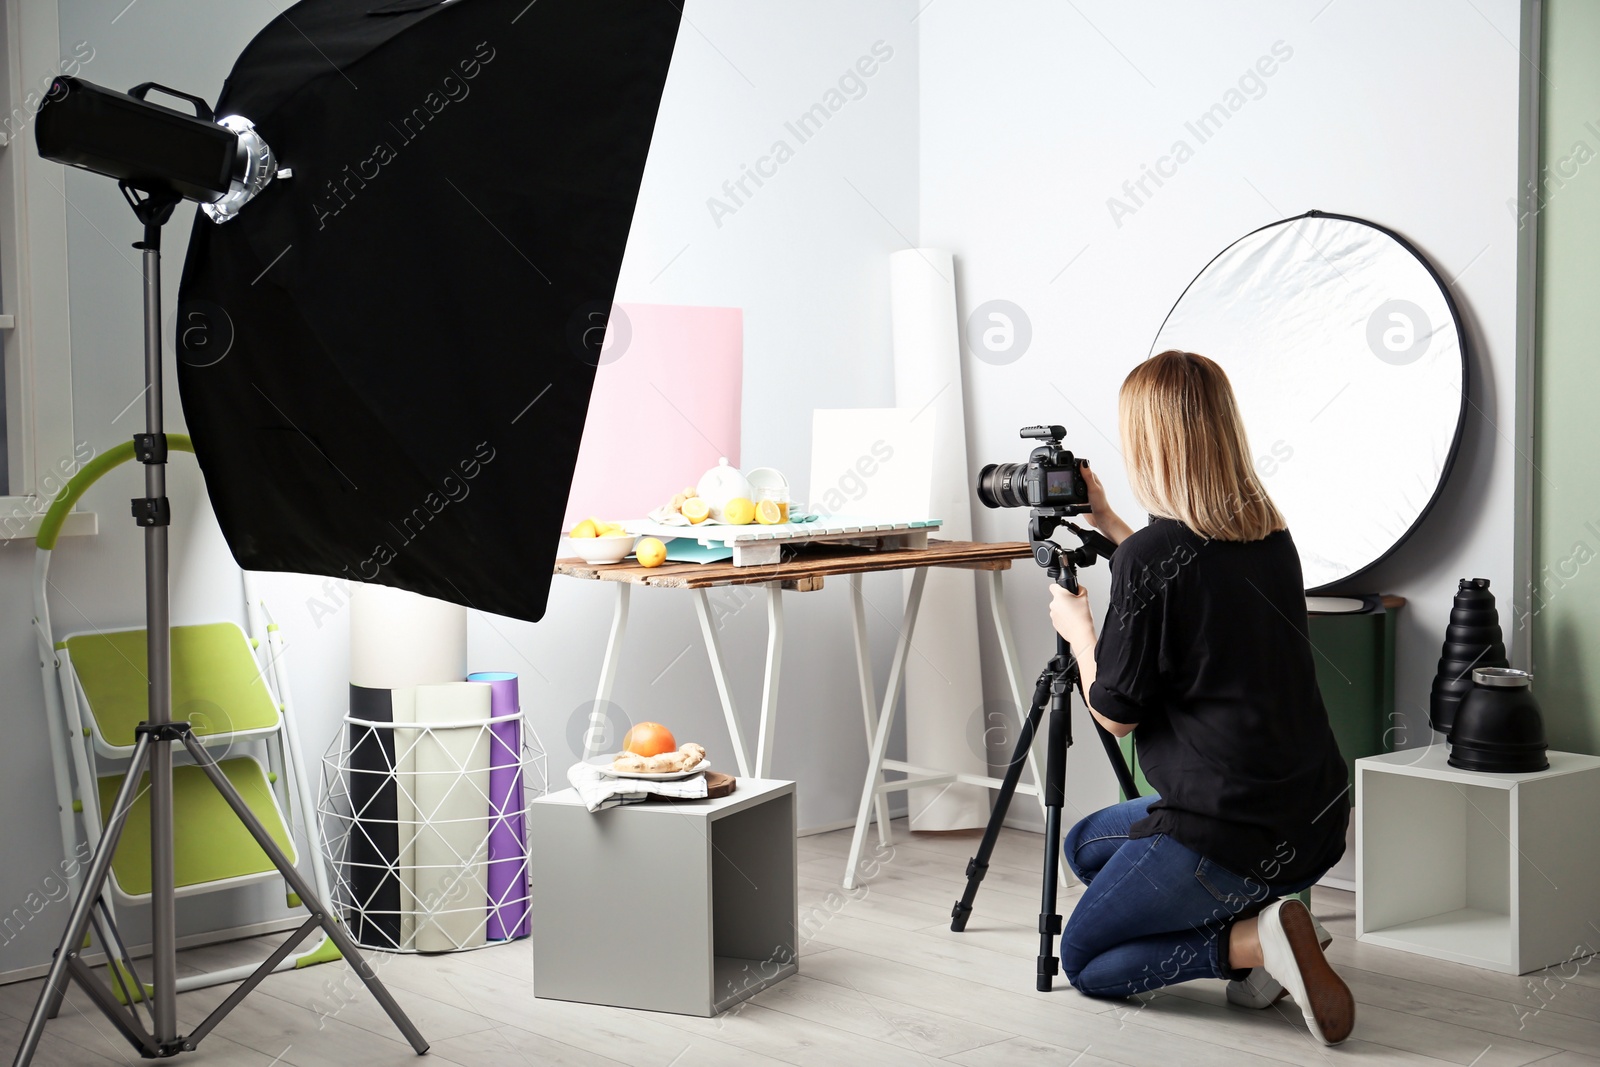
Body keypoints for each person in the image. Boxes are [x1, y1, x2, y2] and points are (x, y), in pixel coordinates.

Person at [1046, 349, 1355, 1045]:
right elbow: (1186, 580)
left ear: (1147, 442)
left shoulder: (1153, 558)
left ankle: (1253, 943)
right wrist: (1111, 523)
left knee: (1086, 959)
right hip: (1312, 819)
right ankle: (1272, 922)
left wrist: (1080, 631)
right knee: (1085, 846)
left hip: (1228, 830)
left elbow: (1116, 713)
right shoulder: (1269, 534)